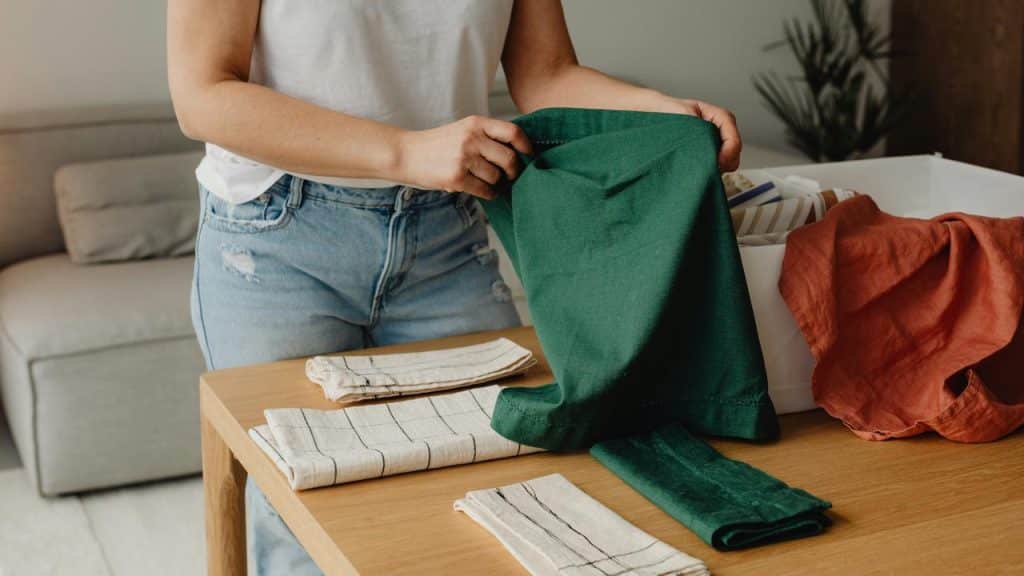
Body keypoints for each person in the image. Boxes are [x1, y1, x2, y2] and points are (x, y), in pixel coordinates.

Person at [167, 0, 742, 573]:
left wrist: (666, 113)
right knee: (302, 521)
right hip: (275, 239)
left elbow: (545, 75)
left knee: (500, 497)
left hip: (446, 231)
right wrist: (407, 151)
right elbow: (202, 95)